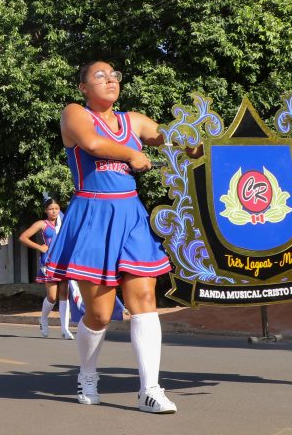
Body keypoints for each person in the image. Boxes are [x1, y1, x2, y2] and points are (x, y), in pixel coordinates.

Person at [44, 61, 176, 414]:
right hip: (94, 215)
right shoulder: (74, 113)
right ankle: (87, 374)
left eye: (114, 75)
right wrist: (133, 153)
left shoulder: (135, 120)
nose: (110, 80)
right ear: (84, 87)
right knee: (100, 314)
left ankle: (150, 389)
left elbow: (172, 140)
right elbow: (92, 143)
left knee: (145, 296)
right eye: (99, 76)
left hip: (131, 214)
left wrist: (196, 146)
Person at [18, 198, 73, 339]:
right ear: (45, 210)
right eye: (50, 209)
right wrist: (39, 247)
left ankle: (65, 330)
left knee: (64, 295)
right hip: (48, 262)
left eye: (56, 208)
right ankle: (43, 319)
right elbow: (23, 237)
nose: (54, 211)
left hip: (63, 261)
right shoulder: (42, 224)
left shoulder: (65, 222)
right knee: (52, 297)